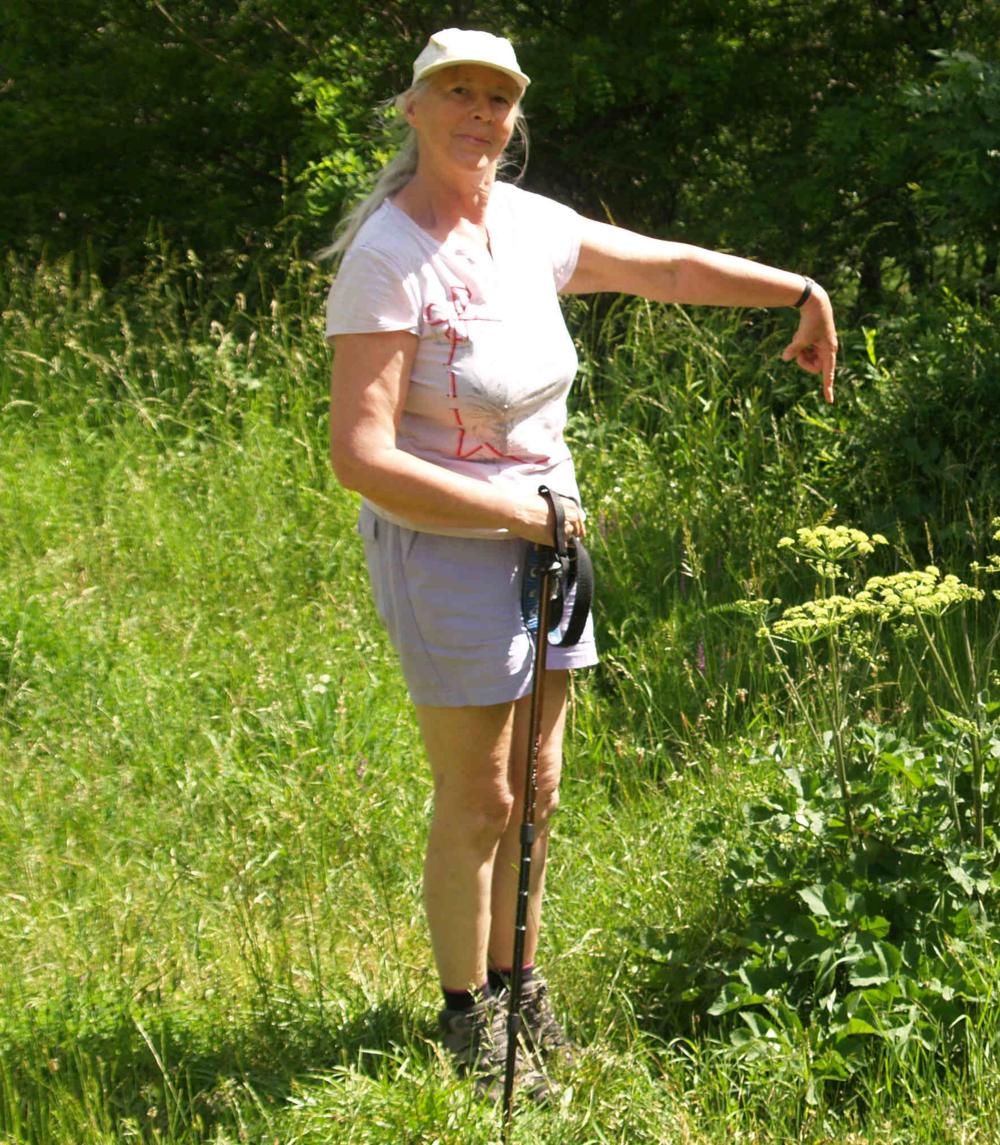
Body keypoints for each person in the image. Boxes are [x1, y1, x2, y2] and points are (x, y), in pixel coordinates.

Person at [322, 27, 837, 1099]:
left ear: (513, 119)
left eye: (496, 99)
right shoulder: (388, 254)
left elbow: (662, 266)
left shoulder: (527, 226)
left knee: (540, 786)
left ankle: (519, 986)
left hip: (544, 541)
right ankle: (467, 1018)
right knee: (480, 794)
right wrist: (511, 507)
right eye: (455, 93)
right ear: (412, 110)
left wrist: (797, 291)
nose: (478, 114)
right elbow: (361, 455)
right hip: (451, 548)